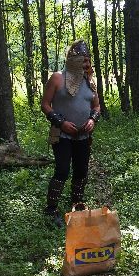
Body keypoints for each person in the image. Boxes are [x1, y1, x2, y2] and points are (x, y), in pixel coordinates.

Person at [41, 40, 101, 225]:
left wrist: (92, 119)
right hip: (62, 135)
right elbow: (45, 105)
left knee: (81, 170)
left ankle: (76, 204)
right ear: (72, 60)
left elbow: (97, 106)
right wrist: (61, 123)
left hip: (83, 136)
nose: (86, 64)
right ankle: (51, 210)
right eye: (82, 60)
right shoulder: (57, 78)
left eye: (87, 60)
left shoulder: (90, 81)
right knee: (62, 170)